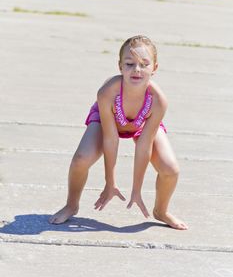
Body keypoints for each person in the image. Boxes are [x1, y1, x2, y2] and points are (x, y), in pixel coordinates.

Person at [49, 35, 188, 230]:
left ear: (154, 68)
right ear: (120, 66)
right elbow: (110, 139)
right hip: (109, 123)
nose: (136, 70)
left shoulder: (158, 100)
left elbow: (144, 145)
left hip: (142, 124)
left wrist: (137, 190)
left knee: (171, 170)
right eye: (129, 64)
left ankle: (161, 211)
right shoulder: (108, 92)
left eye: (144, 64)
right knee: (81, 159)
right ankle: (71, 205)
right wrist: (110, 183)